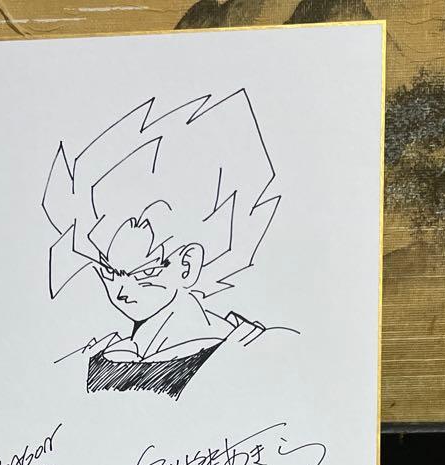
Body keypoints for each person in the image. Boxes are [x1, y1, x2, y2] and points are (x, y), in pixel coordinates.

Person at [43, 90, 291, 399]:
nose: (121, 290)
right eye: (109, 272)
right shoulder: (101, 355)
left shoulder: (240, 349)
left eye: (143, 273)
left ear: (187, 265)